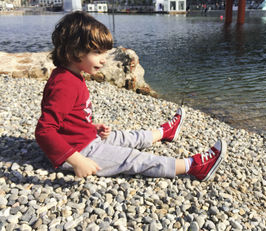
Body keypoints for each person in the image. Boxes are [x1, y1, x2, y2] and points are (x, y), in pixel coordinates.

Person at [35, 11, 227, 181]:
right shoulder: (64, 84)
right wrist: (77, 161)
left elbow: (65, 119)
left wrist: (89, 126)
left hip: (84, 139)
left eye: (105, 53)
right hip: (80, 151)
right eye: (97, 52)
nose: (103, 59)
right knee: (132, 158)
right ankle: (193, 167)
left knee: (124, 137)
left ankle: (163, 133)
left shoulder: (71, 76)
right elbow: (44, 131)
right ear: (74, 51)